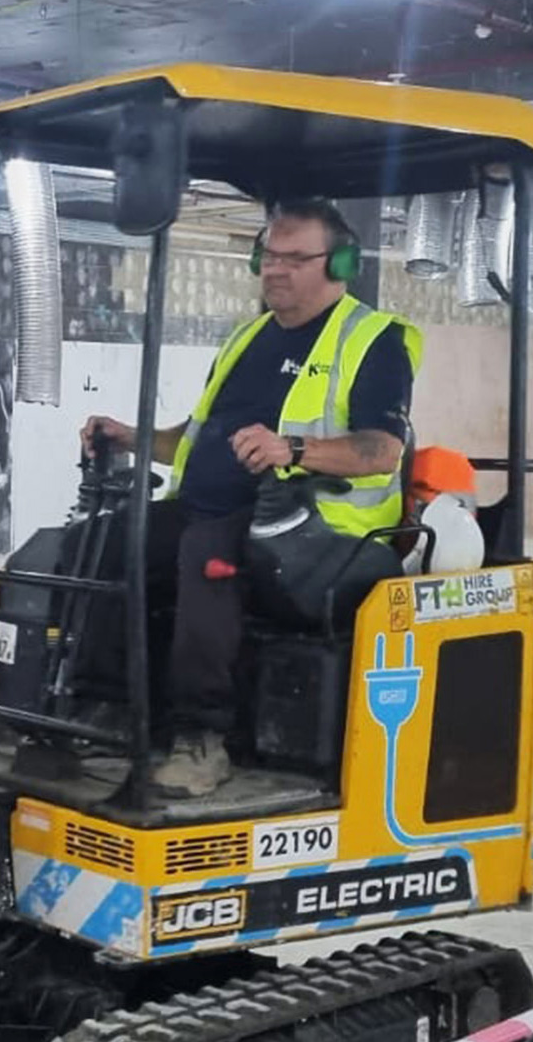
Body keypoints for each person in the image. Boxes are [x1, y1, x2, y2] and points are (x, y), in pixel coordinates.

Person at [81, 197, 420, 797]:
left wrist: (292, 450)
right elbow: (197, 437)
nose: (274, 269)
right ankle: (104, 708)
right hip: (219, 511)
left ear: (339, 263)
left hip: (320, 534)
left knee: (209, 552)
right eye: (268, 255)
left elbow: (382, 450)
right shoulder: (248, 337)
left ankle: (202, 739)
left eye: (294, 258)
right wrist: (131, 438)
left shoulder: (373, 341)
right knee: (110, 538)